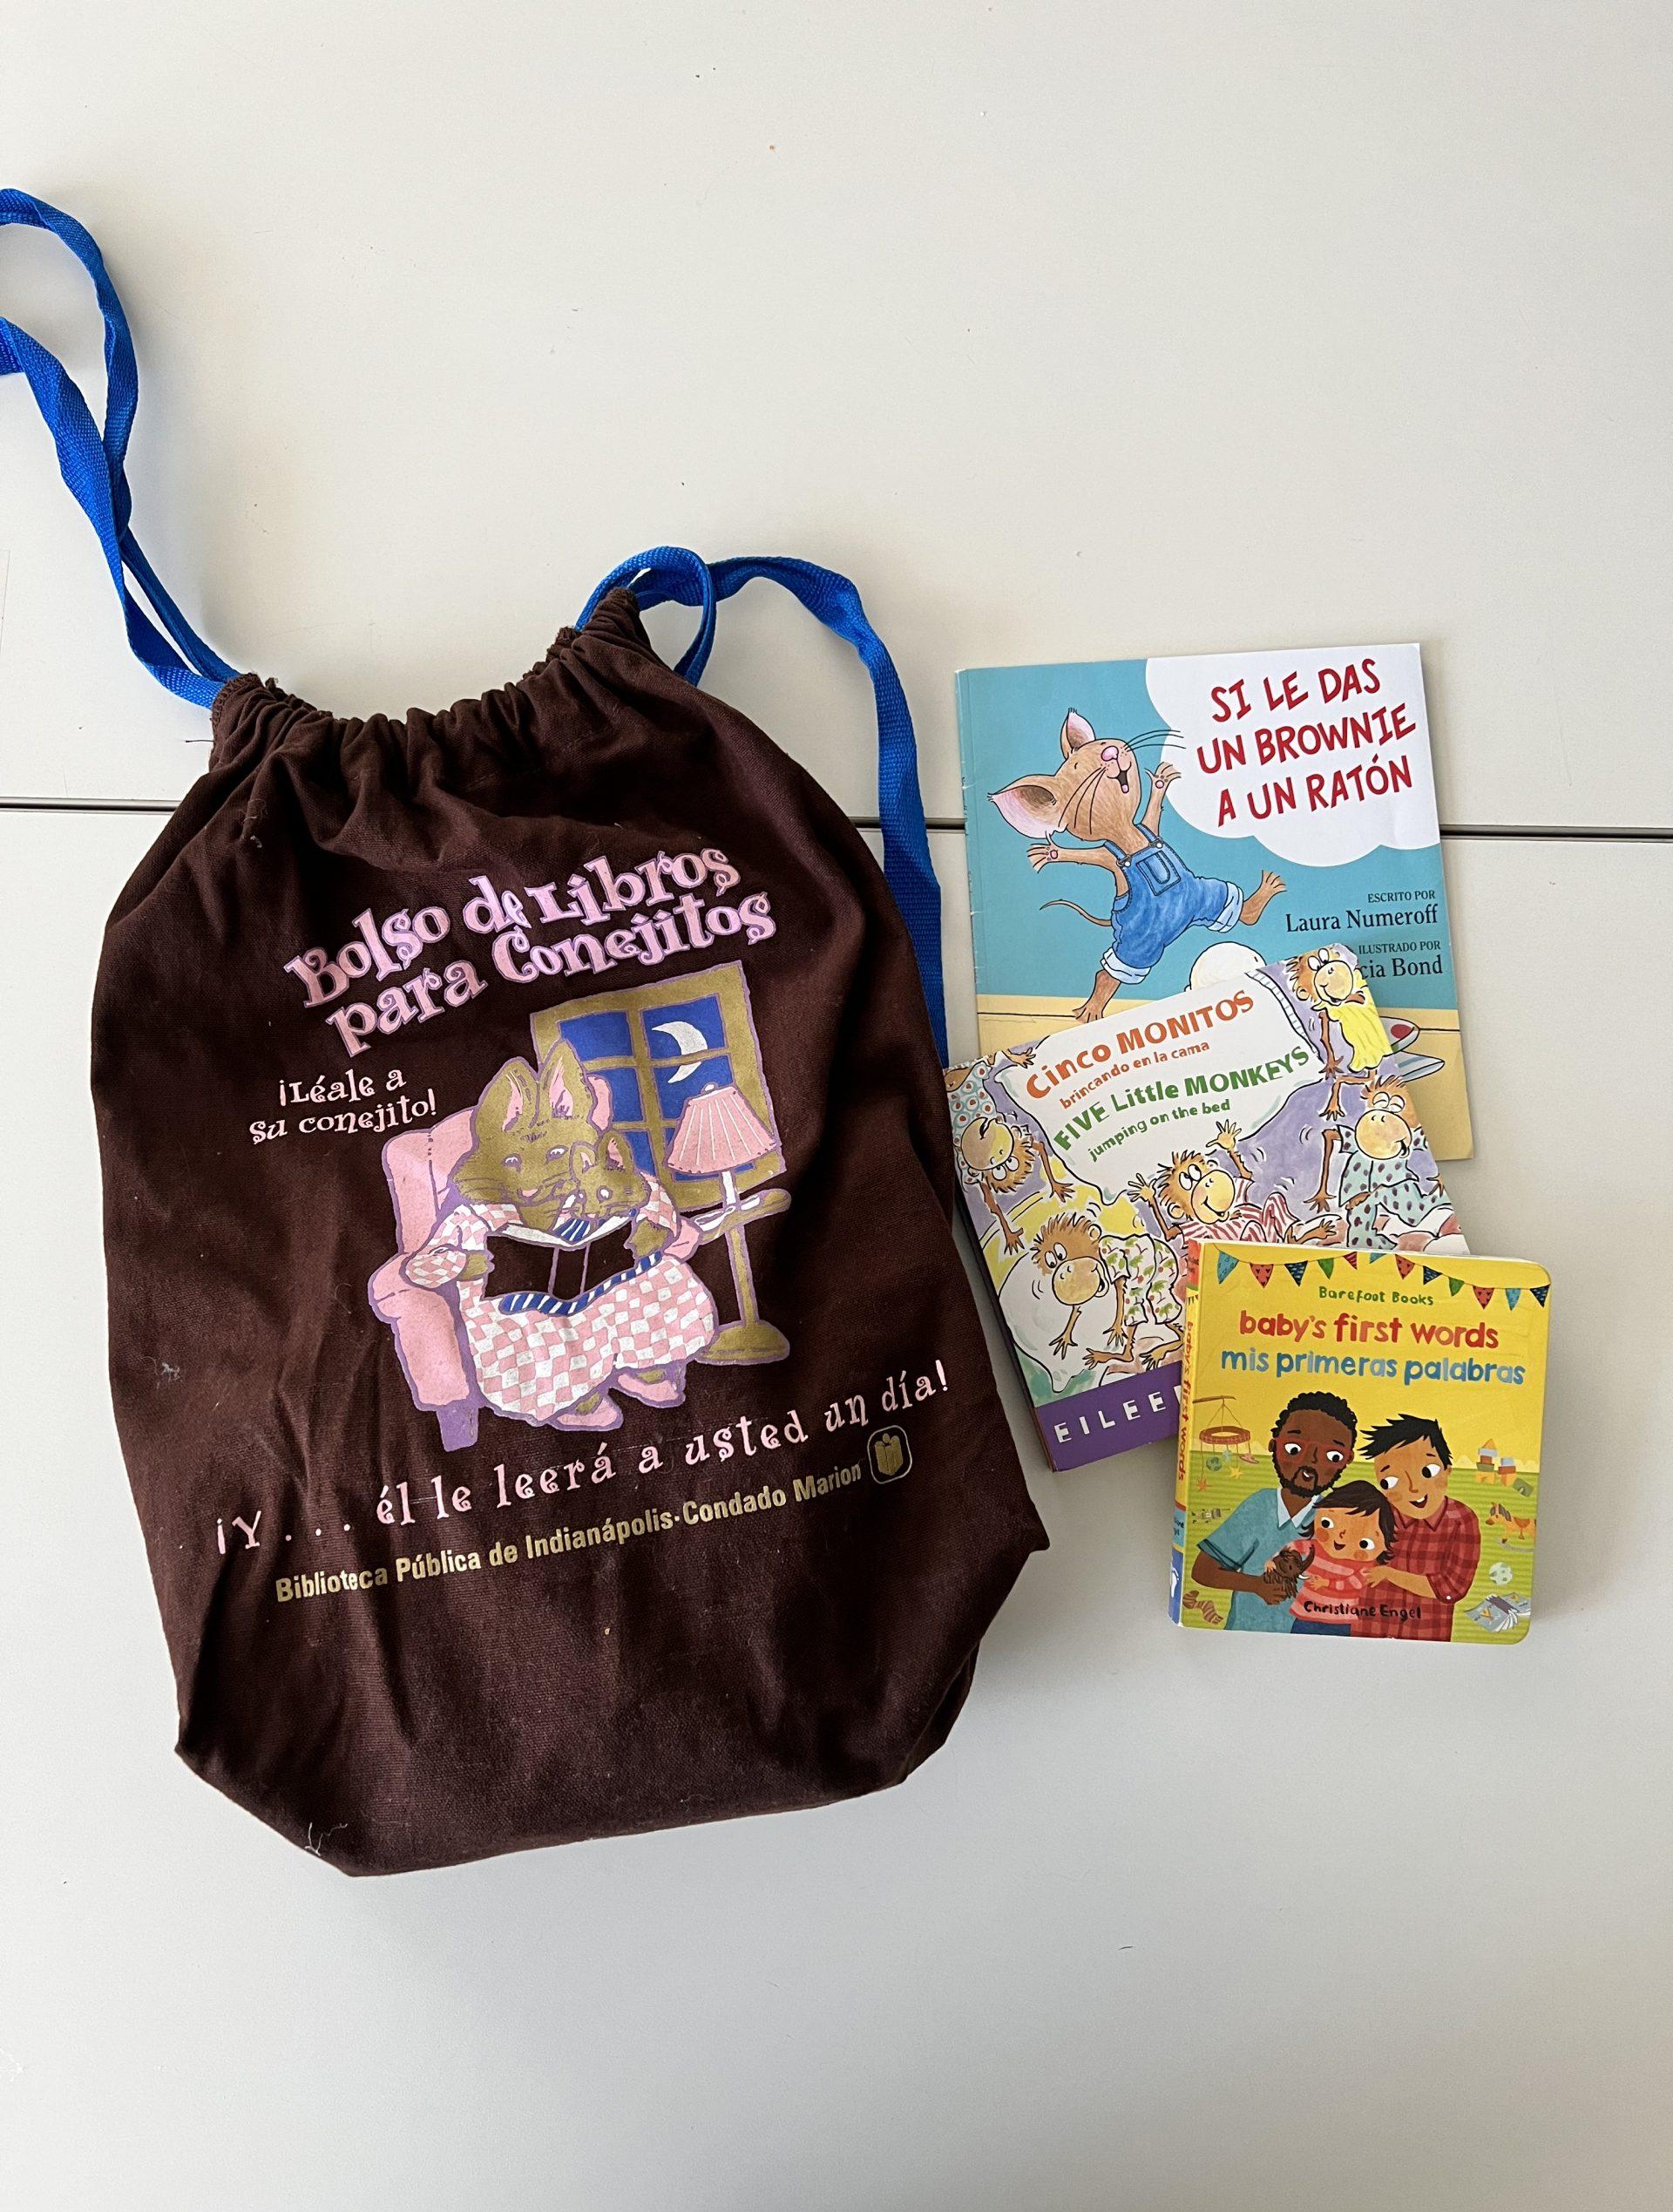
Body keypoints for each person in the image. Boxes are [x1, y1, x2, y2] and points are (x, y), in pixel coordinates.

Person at [1191, 1392, 1358, 1633]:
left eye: (1332, 1455)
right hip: (1245, 1637)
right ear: (1274, 1444)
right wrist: (1256, 1585)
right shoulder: (1259, 1506)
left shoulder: (1337, 1518)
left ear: (1346, 1460)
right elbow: (1204, 1571)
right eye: (1294, 1448)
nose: (1310, 1461)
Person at [1357, 1414, 1480, 1640]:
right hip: (1368, 1631)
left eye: (1427, 1472)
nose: (1413, 1488)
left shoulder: (1461, 1519)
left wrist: (1390, 1575)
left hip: (1426, 1636)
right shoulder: (1373, 1513)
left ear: (1447, 1470)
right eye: (1391, 1481)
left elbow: (1452, 1589)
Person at [1282, 1481, 1397, 1637]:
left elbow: (1354, 1583)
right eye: (1327, 1523)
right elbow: (1295, 1546)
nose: (1341, 1538)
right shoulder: (1317, 1547)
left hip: (1340, 1620)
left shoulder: (1367, 1565)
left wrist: (1327, 1583)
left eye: (1363, 1541)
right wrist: (1275, 1561)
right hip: (1305, 1616)